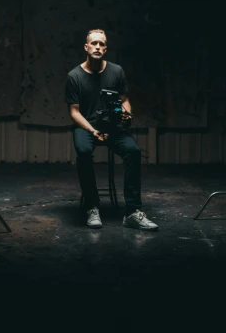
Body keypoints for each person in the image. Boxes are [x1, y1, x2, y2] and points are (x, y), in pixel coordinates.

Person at [65, 29, 159, 231]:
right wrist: (92, 131)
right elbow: (74, 112)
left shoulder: (116, 71)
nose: (98, 47)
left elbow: (125, 100)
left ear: (105, 48)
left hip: (113, 127)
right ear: (86, 47)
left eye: (101, 44)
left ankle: (133, 212)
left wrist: (126, 116)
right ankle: (92, 206)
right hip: (87, 126)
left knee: (133, 151)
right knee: (83, 152)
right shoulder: (74, 76)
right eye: (94, 43)